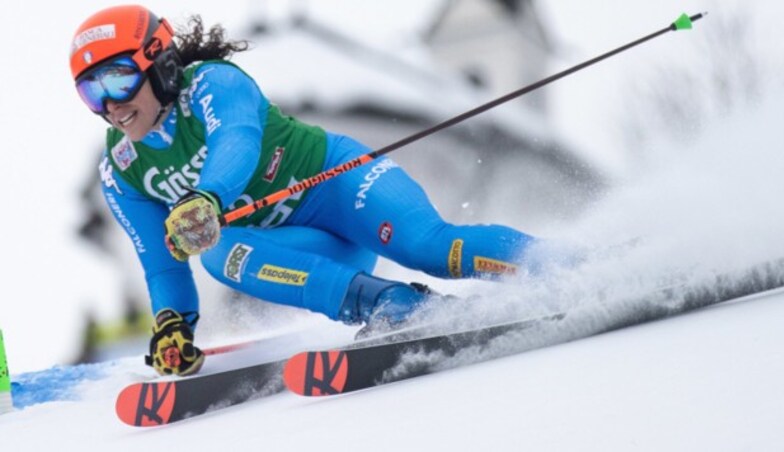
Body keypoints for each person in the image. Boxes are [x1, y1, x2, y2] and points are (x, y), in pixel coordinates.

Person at [69, 5, 553, 377]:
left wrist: (206, 197)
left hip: (342, 189)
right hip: (311, 248)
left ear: (162, 65)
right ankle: (393, 306)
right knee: (221, 256)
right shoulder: (121, 169)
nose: (110, 104)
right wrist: (173, 324)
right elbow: (160, 261)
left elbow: (236, 139)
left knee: (429, 246)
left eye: (119, 78)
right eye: (92, 91)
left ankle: (563, 266)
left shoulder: (214, 84)